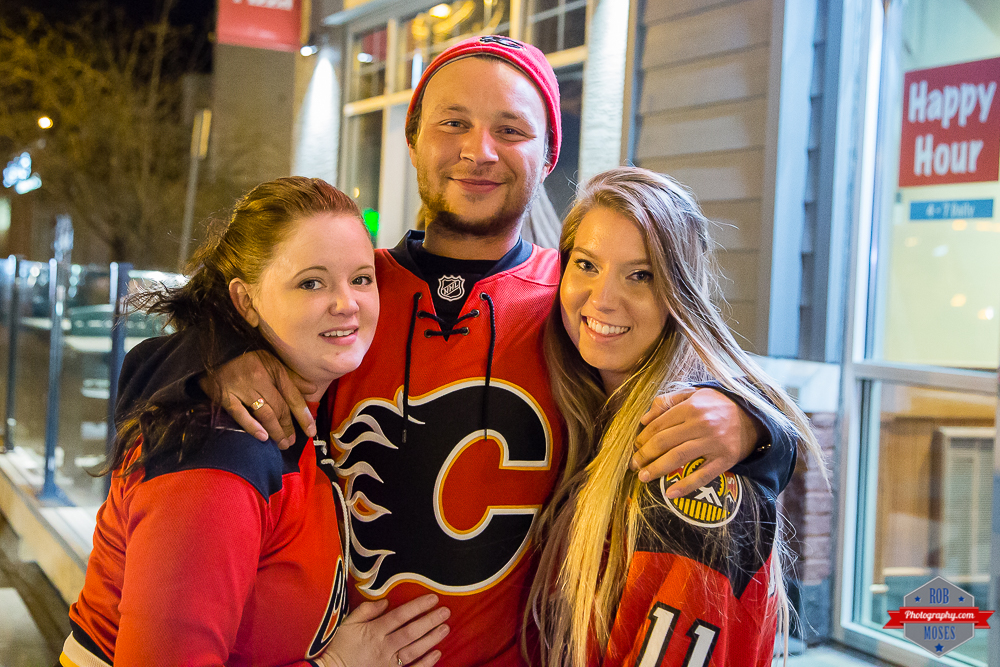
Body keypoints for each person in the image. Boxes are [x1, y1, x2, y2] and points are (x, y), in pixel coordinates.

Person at [114, 38, 797, 666]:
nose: (479, 150)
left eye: (510, 129)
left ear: (548, 154)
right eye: (452, 122)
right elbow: (153, 367)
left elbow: (672, 363)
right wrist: (218, 353)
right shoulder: (352, 293)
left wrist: (757, 429)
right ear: (411, 138)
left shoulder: (577, 297)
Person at [62, 178, 450, 667]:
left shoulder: (295, 399)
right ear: (245, 301)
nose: (346, 303)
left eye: (361, 278)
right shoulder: (217, 458)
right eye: (312, 282)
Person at [527, 167, 825, 666]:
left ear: (679, 296)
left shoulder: (685, 470)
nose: (602, 299)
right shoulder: (588, 413)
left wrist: (761, 429)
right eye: (586, 265)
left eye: (640, 275)